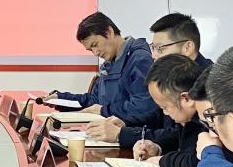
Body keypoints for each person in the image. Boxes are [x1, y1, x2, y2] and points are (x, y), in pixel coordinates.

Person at [86, 12, 212, 146]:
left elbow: (178, 137)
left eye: (160, 49)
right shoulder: (177, 75)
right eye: (153, 48)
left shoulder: (207, 86)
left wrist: (122, 134)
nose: (153, 55)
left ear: (187, 47)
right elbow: (158, 116)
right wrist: (126, 123)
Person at [45, 12, 157, 126]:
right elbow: (94, 101)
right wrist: (60, 99)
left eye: (95, 44)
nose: (95, 53)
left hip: (132, 133)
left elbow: (144, 106)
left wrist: (103, 110)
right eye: (90, 50)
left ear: (109, 32)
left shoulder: (139, 59)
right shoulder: (107, 66)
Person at [133, 54, 207, 167]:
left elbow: (196, 162)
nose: (165, 113)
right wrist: (157, 149)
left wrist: (162, 161)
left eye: (165, 107)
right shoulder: (187, 117)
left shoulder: (208, 121)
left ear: (187, 99)